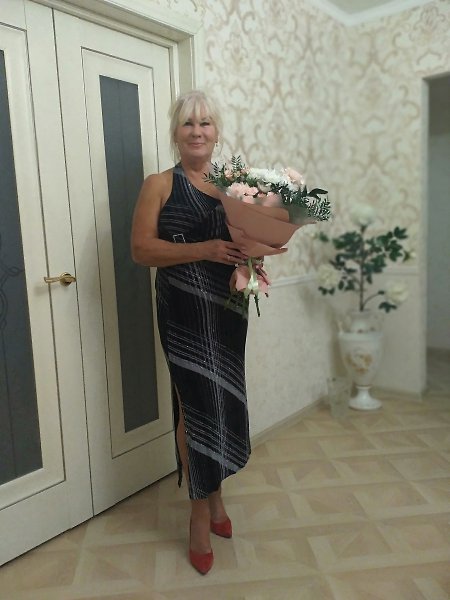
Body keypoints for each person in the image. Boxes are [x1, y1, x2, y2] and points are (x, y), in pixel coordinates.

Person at [131, 90, 251, 575]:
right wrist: (203, 249)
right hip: (183, 314)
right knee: (197, 409)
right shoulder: (159, 184)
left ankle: (217, 500)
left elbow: (251, 241)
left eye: (205, 123)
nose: (197, 131)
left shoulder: (235, 187)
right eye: (188, 123)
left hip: (228, 312)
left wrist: (257, 256)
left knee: (223, 404)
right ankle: (200, 513)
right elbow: (142, 250)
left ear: (216, 132)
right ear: (176, 132)